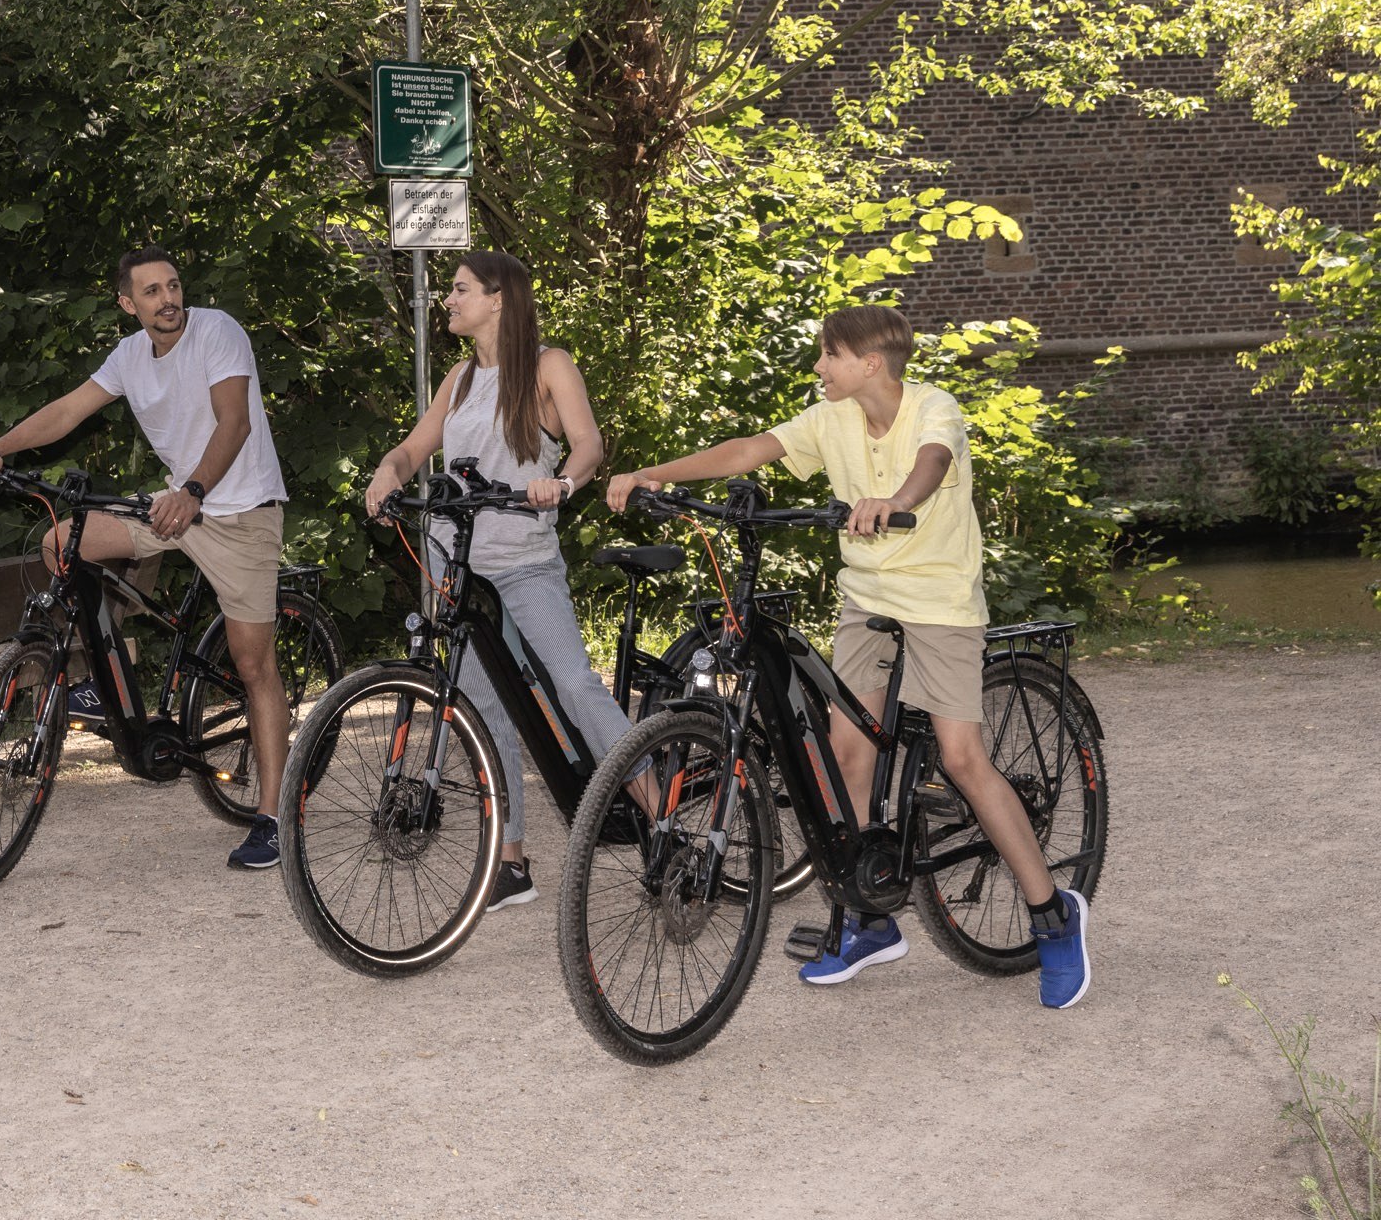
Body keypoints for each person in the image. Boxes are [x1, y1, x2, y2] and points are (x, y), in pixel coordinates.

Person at [604, 303, 1091, 1008]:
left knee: (961, 758)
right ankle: (870, 917)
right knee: (846, 754)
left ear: (869, 363)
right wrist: (656, 473)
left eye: (829, 354)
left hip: (939, 600)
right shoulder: (830, 417)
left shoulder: (933, 408)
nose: (818, 366)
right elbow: (749, 450)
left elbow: (932, 464)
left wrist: (894, 500)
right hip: (868, 598)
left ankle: (1053, 914)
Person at [0, 246, 293, 871]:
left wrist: (193, 492)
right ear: (127, 303)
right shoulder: (129, 356)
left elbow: (235, 423)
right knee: (63, 542)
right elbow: (67, 411)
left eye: (173, 286)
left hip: (240, 512)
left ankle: (274, 819)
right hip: (174, 506)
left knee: (254, 666)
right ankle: (103, 679)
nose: (168, 300)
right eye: (152, 291)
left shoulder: (217, 332)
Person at [359, 250, 622, 909]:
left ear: (499, 298)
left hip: (523, 561)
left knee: (572, 684)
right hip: (459, 566)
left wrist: (561, 483)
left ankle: (656, 803)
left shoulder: (548, 366)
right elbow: (412, 449)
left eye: (460, 289)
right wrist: (387, 472)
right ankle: (511, 861)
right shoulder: (460, 379)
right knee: (484, 709)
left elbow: (589, 446)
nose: (448, 299)